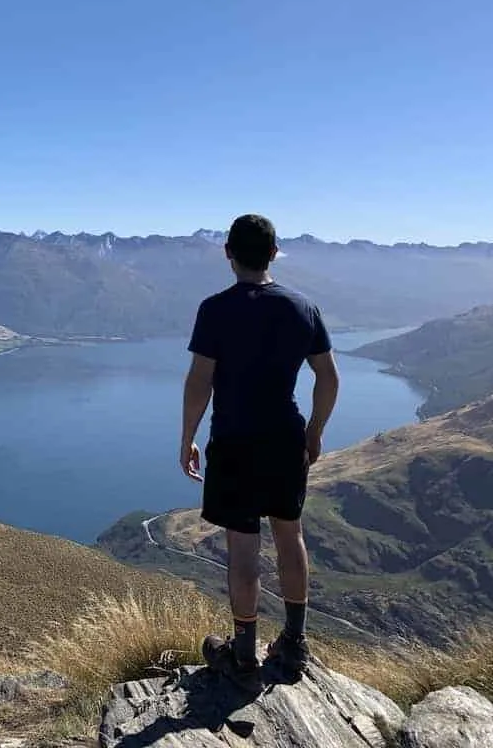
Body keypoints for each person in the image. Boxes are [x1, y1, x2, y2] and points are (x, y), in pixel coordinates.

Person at [180, 213, 339, 691]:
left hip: (234, 442)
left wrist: (186, 436)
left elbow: (199, 381)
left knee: (242, 546)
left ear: (228, 254)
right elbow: (328, 379)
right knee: (290, 537)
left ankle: (243, 656)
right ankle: (293, 642)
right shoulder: (303, 307)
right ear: (274, 253)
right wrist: (314, 432)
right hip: (285, 439)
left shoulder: (215, 309)